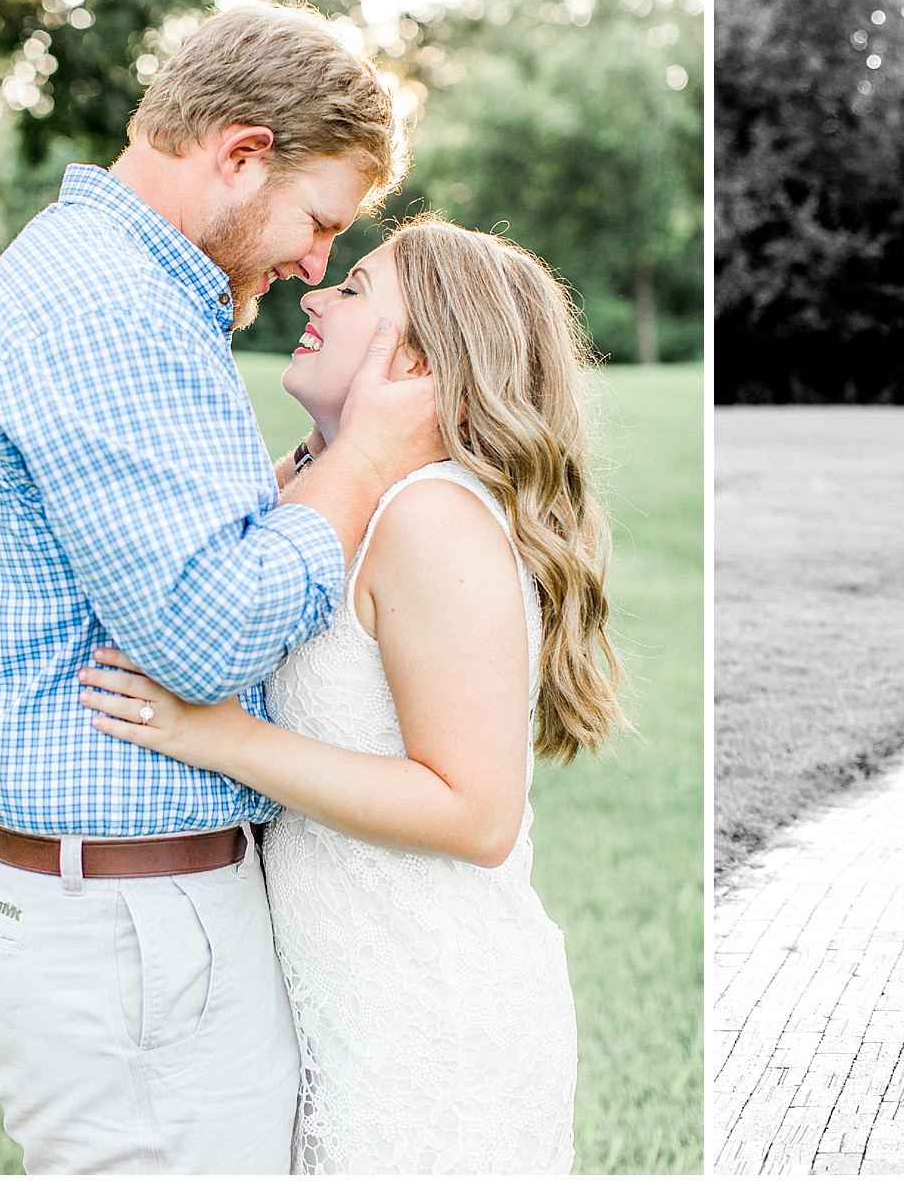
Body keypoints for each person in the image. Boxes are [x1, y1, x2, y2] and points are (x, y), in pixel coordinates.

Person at [0, 2, 443, 1174]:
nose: (318, 263)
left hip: (117, 918)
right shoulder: (114, 308)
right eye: (318, 221)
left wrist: (306, 479)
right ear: (243, 153)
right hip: (123, 931)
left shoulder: (121, 288)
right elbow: (203, 638)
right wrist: (361, 463)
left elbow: (172, 554)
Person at [77, 214, 623, 1173]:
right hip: (348, 1000)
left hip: (432, 1021)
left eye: (356, 289)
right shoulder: (337, 500)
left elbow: (476, 811)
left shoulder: (433, 522)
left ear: (418, 364)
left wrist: (223, 739)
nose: (315, 294)